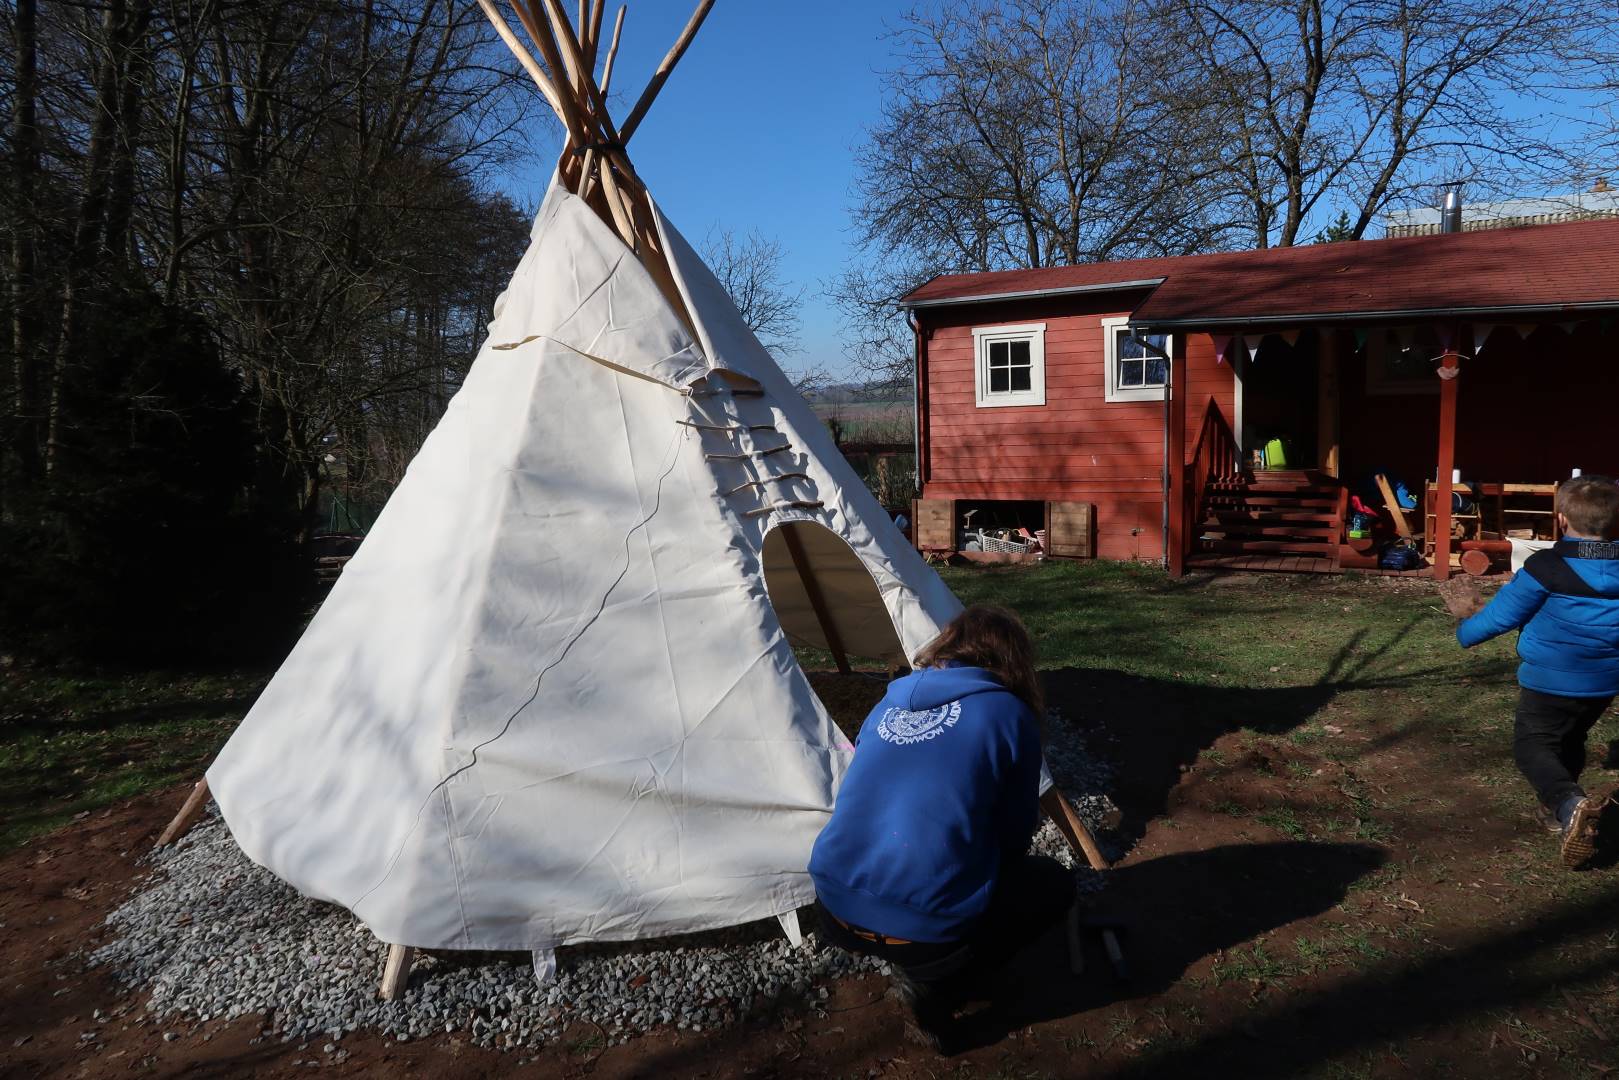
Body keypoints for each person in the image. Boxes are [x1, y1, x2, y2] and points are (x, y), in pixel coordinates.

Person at [808, 605, 1074, 1052]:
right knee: (1053, 886)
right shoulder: (1009, 713)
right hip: (925, 929)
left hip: (832, 899)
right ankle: (942, 990)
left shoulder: (888, 702)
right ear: (1013, 661)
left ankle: (912, 949)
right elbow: (1015, 832)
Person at [1456, 475, 1619, 869]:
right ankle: (1555, 811)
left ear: (1561, 519)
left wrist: (1464, 631)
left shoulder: (1546, 567)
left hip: (1550, 680)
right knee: (1571, 737)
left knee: (1533, 746)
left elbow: (1501, 616)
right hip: (1603, 683)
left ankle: (1568, 803)